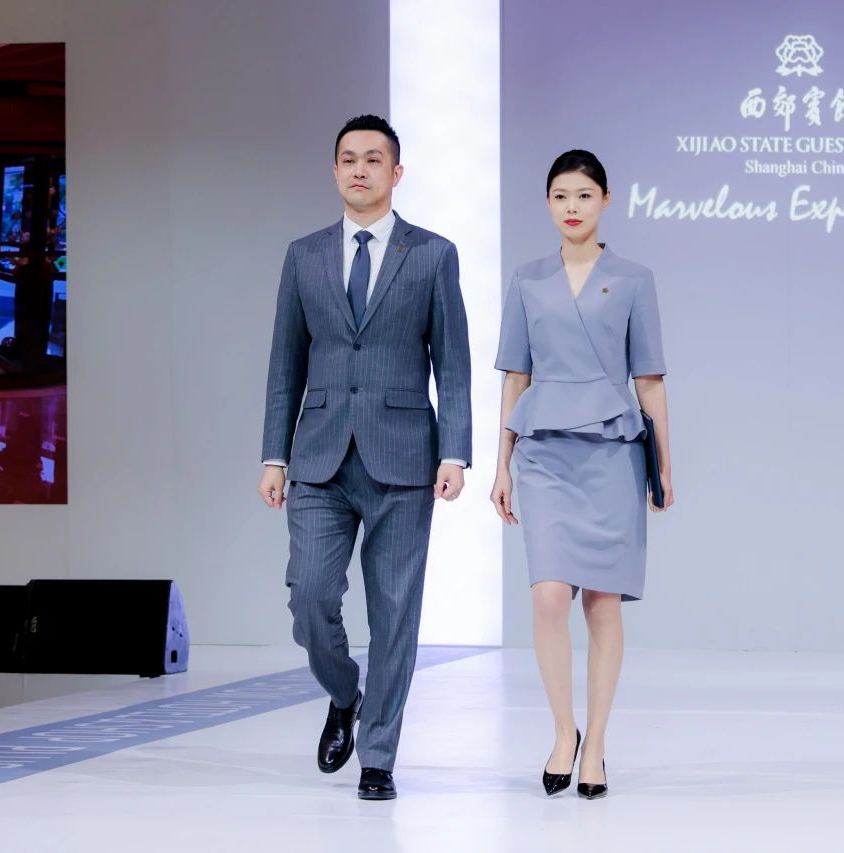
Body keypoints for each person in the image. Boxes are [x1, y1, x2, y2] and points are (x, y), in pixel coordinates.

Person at [259, 114, 472, 801]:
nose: (360, 168)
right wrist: (273, 455)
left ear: (396, 172)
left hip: (404, 458)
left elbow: (454, 364)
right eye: (348, 158)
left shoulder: (432, 254)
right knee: (310, 595)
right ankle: (345, 693)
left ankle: (378, 756)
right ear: (334, 171)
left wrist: (455, 451)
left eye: (373, 158)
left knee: (394, 612)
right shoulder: (304, 255)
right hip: (318, 457)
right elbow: (285, 364)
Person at [490, 149, 672, 800]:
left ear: (606, 200)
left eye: (585, 195)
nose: (573, 206)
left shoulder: (634, 279)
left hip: (612, 452)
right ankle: (563, 731)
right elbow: (516, 375)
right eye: (561, 195)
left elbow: (649, 379)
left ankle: (595, 743)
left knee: (601, 601)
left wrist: (663, 465)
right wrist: (501, 463)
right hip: (543, 451)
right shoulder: (527, 279)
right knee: (547, 595)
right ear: (547, 203)